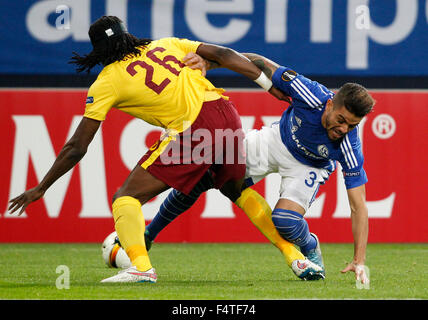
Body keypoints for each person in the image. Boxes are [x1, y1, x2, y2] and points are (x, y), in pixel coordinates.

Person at [142, 52, 374, 284]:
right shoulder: (309, 93)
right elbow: (256, 61)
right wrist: (209, 63)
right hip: (276, 141)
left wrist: (359, 259)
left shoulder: (349, 146)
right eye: (341, 120)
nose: (344, 129)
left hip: (309, 165)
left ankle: (310, 244)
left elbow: (358, 206)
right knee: (204, 175)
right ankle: (148, 235)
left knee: (285, 221)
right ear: (330, 104)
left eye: (352, 125)